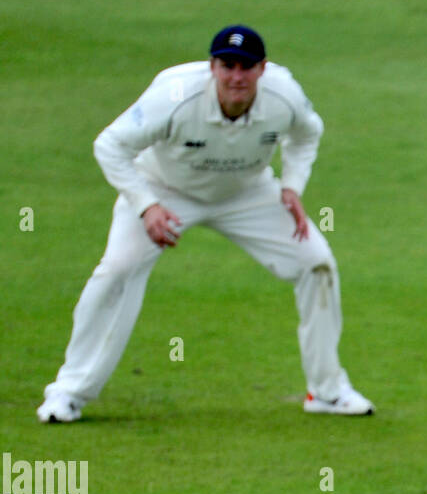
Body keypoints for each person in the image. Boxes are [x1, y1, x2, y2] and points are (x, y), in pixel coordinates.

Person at [38, 25, 373, 423]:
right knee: (118, 271)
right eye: (227, 65)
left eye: (246, 67)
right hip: (163, 189)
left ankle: (327, 391)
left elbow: (308, 133)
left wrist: (292, 186)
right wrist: (146, 206)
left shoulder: (284, 94)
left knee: (316, 263)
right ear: (212, 66)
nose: (236, 76)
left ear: (262, 69)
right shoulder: (174, 96)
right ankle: (69, 393)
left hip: (247, 192)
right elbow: (109, 145)